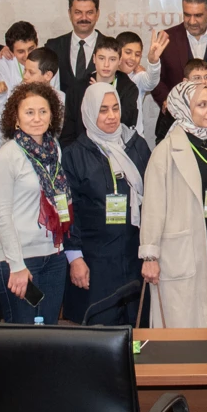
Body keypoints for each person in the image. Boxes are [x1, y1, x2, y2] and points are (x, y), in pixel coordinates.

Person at [140, 80, 207, 327]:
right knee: (182, 318)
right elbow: (152, 207)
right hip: (181, 245)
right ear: (183, 108)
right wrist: (150, 255)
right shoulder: (166, 151)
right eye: (202, 105)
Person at [60, 84, 151, 325]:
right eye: (102, 110)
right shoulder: (74, 155)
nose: (111, 116)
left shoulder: (136, 145)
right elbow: (69, 212)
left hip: (134, 255)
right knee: (98, 334)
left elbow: (154, 198)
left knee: (136, 329)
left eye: (115, 108)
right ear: (89, 112)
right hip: (95, 259)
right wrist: (75, 258)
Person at [0, 82, 71, 324]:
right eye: (29, 112)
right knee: (22, 342)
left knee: (48, 336)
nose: (37, 118)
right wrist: (16, 265)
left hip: (54, 257)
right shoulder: (8, 155)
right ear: (15, 118)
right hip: (19, 260)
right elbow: (2, 217)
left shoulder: (53, 148)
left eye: (43, 111)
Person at [61, 35, 139, 146]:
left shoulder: (129, 89)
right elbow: (68, 131)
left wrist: (102, 94)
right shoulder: (77, 89)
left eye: (112, 59)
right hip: (84, 151)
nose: (106, 64)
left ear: (119, 61)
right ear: (94, 59)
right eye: (101, 58)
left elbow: (127, 123)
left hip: (117, 148)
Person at [45, 0, 103, 119]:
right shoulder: (53, 46)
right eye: (78, 12)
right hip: (62, 125)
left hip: (98, 122)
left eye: (89, 13)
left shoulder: (110, 47)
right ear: (69, 13)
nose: (84, 18)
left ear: (97, 14)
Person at [115, 30, 167, 147]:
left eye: (137, 54)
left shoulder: (137, 78)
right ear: (117, 51)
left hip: (134, 144)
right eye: (128, 52)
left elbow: (150, 82)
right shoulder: (104, 77)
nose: (133, 58)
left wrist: (153, 62)